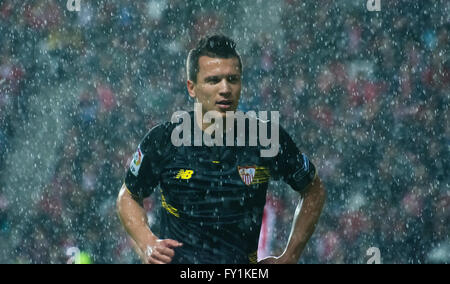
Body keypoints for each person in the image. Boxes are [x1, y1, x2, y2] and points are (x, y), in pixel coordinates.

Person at [117, 34, 326, 264]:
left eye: (232, 79)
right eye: (213, 80)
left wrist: (290, 256)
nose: (225, 88)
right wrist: (147, 242)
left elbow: (313, 190)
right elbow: (128, 196)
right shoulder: (164, 140)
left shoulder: (266, 138)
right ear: (192, 87)